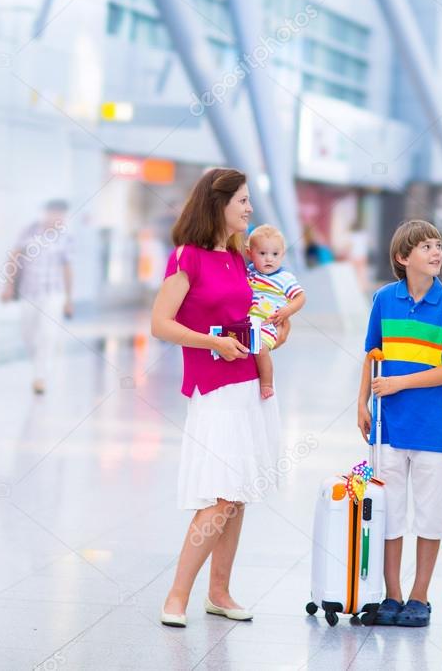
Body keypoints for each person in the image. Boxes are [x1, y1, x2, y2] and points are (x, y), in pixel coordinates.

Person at [151, 168, 291, 628]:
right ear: (220, 203)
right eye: (243, 201)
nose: (250, 209)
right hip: (214, 388)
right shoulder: (186, 258)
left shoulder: (236, 256)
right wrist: (213, 344)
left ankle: (220, 591)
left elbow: (247, 315)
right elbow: (161, 324)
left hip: (249, 383)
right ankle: (176, 596)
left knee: (238, 495)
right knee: (218, 497)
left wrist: (274, 331)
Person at [357, 219, 442, 627]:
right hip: (389, 427)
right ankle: (392, 594)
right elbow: (372, 355)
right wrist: (362, 402)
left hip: (433, 430)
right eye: (426, 247)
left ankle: (420, 596)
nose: (436, 251)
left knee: (431, 514)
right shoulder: (385, 300)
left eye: (438, 244)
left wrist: (400, 382)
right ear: (403, 258)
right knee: (389, 511)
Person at [1, 199, 73, 395]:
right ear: (46, 213)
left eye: (61, 214)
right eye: (54, 213)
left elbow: (67, 268)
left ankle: (40, 377)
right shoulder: (28, 231)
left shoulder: (65, 238)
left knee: (48, 335)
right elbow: (14, 257)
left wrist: (68, 299)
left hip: (54, 294)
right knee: (28, 334)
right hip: (29, 292)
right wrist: (9, 285)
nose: (57, 217)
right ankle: (38, 365)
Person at [246, 225, 306, 399]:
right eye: (262, 253)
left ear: (283, 255)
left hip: (268, 324)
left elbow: (300, 297)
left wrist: (286, 311)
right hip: (249, 322)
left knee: (260, 348)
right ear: (250, 254)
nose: (268, 259)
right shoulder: (249, 273)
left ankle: (266, 383)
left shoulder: (285, 278)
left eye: (275, 254)